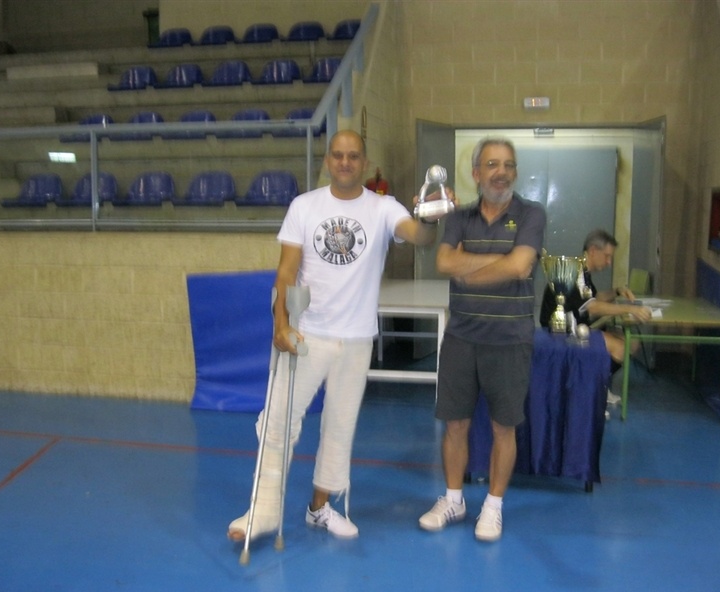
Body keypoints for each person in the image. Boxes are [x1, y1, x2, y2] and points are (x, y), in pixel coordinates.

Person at [228, 129, 447, 542]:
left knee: (339, 427)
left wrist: (429, 216)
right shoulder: (304, 206)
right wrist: (280, 324)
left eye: (354, 156)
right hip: (307, 333)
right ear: (328, 160)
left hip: (357, 338)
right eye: (338, 155)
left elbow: (421, 237)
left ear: (364, 163)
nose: (345, 162)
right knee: (277, 422)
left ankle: (320, 509)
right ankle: (262, 512)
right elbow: (286, 271)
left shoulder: (384, 207)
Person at [418, 137, 546, 543]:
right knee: (455, 424)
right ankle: (453, 500)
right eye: (492, 164)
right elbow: (443, 261)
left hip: (510, 339)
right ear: (476, 173)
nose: (501, 172)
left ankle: (492, 506)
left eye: (508, 165)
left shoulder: (531, 214)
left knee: (503, 428)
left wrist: (470, 270)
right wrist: (503, 263)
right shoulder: (458, 216)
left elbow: (521, 266)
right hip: (461, 337)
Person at [539, 229, 653, 406]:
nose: (609, 262)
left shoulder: (584, 273)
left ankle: (598, 385)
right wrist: (630, 309)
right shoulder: (575, 272)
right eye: (607, 256)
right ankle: (590, 389)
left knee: (633, 343)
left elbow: (594, 298)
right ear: (593, 250)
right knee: (620, 348)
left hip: (580, 327)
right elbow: (592, 307)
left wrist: (616, 292)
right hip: (562, 331)